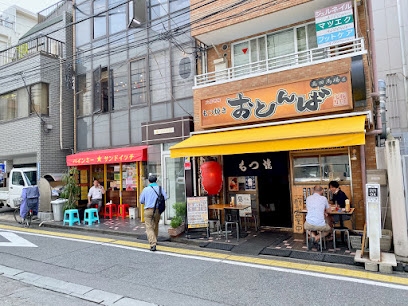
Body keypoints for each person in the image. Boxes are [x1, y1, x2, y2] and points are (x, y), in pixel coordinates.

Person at [139, 175, 168, 251]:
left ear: (148, 182)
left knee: (149, 227)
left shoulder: (145, 189)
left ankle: (153, 243)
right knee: (156, 225)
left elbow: (141, 201)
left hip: (148, 210)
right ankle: (155, 239)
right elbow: (165, 197)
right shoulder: (160, 189)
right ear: (156, 181)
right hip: (157, 210)